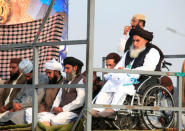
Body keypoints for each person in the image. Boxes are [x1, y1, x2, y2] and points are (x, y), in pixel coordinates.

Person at [93, 28, 163, 117]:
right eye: (133, 40)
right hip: (127, 76)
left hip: (143, 78)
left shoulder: (152, 51)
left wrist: (128, 71)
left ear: (145, 41)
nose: (134, 43)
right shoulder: (129, 52)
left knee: (123, 84)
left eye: (138, 41)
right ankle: (97, 108)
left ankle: (113, 109)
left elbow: (149, 68)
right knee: (110, 83)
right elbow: (119, 66)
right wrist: (116, 72)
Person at [26, 57, 85, 126]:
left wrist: (63, 109)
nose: (65, 71)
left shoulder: (81, 81)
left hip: (71, 113)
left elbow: (79, 102)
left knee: (54, 121)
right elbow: (58, 97)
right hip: (58, 112)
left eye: (67, 68)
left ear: (75, 68)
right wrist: (54, 108)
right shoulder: (65, 82)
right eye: (65, 68)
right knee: (38, 117)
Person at [0, 59, 47, 125]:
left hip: (31, 108)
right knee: (5, 118)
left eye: (28, 76)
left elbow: (37, 99)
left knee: (14, 118)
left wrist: (20, 106)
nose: (26, 78)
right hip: (19, 107)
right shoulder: (28, 80)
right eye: (25, 76)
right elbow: (18, 95)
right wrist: (14, 103)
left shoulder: (43, 79)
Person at [25, 59, 64, 123]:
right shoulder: (49, 82)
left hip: (54, 113)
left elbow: (59, 103)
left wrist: (48, 111)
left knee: (43, 119)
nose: (47, 75)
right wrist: (41, 110)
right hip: (44, 111)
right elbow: (43, 100)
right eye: (46, 73)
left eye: (49, 73)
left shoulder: (63, 83)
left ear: (56, 72)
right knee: (28, 111)